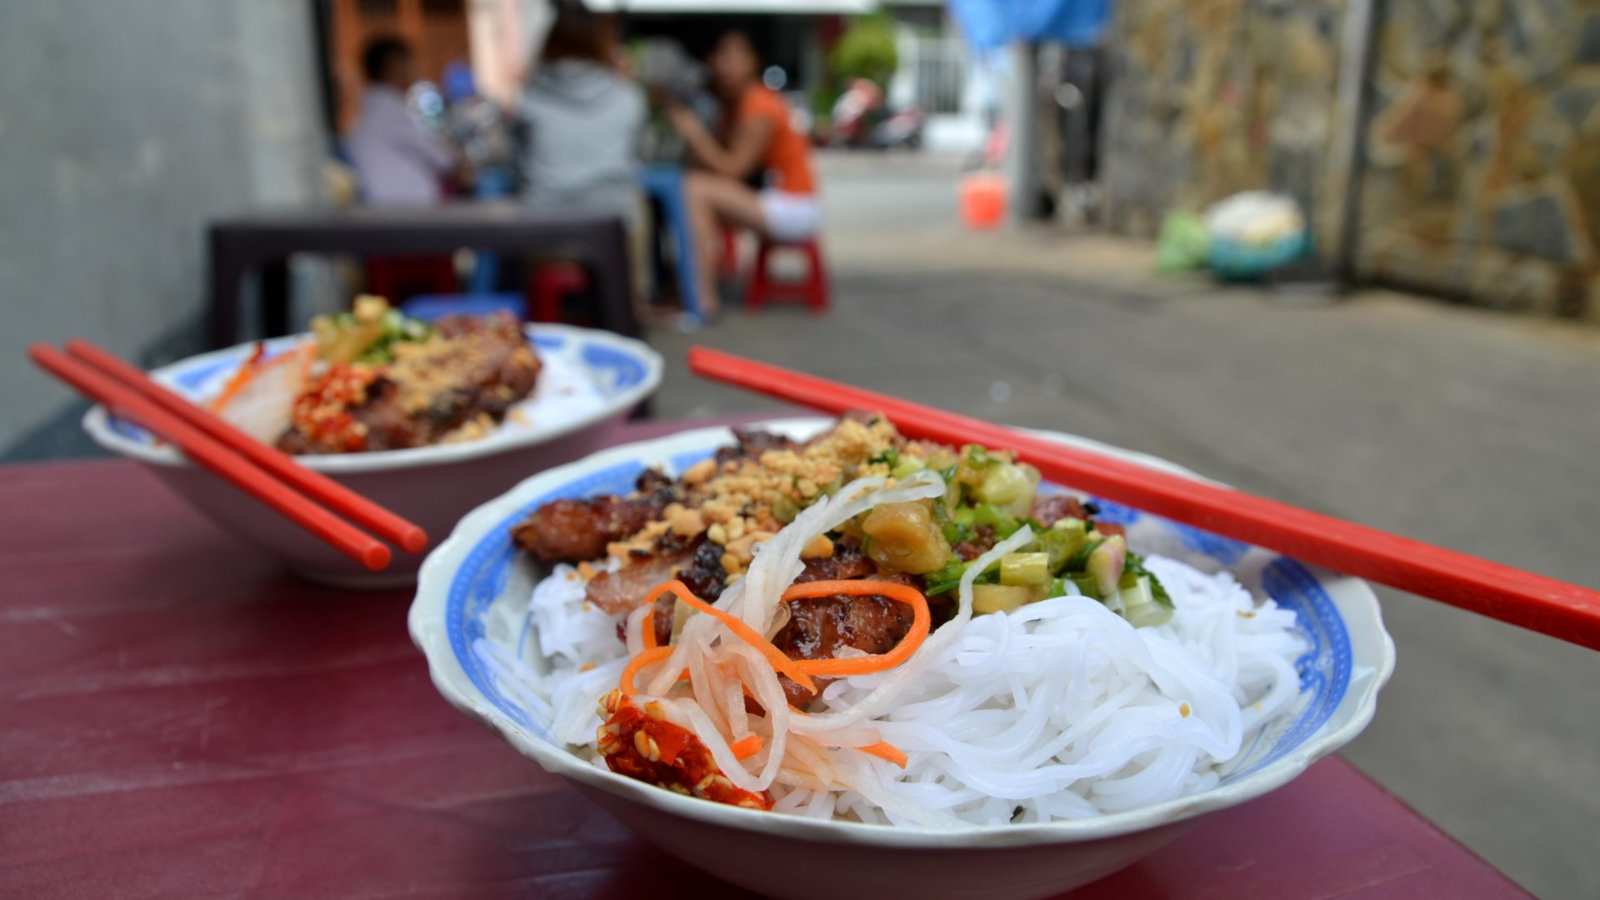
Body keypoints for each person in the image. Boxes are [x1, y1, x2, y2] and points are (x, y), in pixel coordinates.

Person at [664, 30, 819, 317]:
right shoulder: (734, 104)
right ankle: (689, 284)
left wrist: (695, 134)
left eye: (734, 57)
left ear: (752, 61)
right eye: (721, 57)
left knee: (694, 188)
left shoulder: (759, 104)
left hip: (793, 206)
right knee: (693, 190)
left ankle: (701, 297)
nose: (726, 65)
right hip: (772, 198)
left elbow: (733, 169)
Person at [518, 1, 649, 305]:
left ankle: (535, 307)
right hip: (614, 231)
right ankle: (633, 304)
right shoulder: (627, 96)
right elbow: (640, 156)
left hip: (545, 229)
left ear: (548, 43)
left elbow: (518, 164)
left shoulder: (530, 98)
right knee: (636, 203)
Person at [347, 36, 457, 206]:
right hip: (408, 213)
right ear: (394, 66)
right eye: (410, 63)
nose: (416, 70)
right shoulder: (389, 111)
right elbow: (444, 158)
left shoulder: (372, 108)